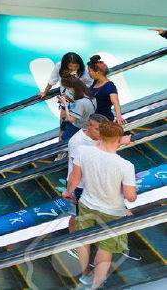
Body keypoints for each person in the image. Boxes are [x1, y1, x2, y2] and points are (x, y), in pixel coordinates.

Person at [66, 120, 137, 288]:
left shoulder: (83, 151)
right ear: (119, 139)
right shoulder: (126, 166)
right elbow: (130, 197)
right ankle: (97, 284)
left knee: (84, 240)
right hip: (113, 212)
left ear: (101, 135)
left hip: (86, 204)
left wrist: (68, 192)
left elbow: (75, 179)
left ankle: (85, 275)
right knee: (106, 248)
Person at [88, 58, 124, 125]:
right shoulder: (95, 83)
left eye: (90, 71)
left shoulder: (109, 86)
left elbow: (115, 102)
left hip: (104, 123)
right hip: (93, 121)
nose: (88, 73)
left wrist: (119, 117)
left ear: (98, 72)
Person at [60, 76, 97, 142]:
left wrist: (65, 104)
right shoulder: (89, 95)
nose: (67, 91)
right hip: (86, 124)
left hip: (76, 128)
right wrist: (69, 100)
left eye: (67, 88)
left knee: (64, 142)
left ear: (72, 88)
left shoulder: (80, 102)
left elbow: (71, 120)